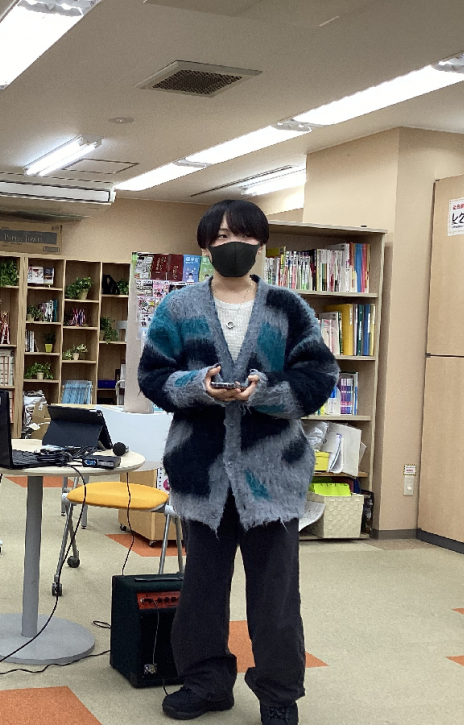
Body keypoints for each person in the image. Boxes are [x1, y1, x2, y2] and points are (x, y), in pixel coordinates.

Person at [137, 199, 339, 725]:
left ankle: (278, 695)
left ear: (261, 244)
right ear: (206, 245)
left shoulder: (288, 307)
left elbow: (318, 379)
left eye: (244, 236)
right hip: (201, 475)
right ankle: (206, 684)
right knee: (202, 590)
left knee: (275, 596)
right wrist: (197, 386)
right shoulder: (178, 307)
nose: (233, 244)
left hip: (273, 476)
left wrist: (263, 393)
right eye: (223, 236)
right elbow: (152, 376)